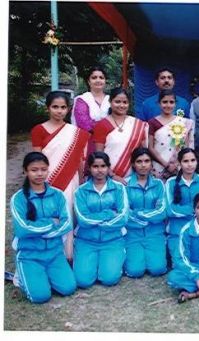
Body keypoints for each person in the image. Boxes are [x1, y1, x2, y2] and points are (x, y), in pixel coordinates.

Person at [31, 90, 90, 261]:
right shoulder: (38, 130)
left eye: (63, 107)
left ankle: (68, 255)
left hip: (71, 181)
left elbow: (80, 160)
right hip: (46, 180)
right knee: (49, 215)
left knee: (68, 215)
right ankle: (47, 255)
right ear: (47, 108)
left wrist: (80, 181)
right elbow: (36, 160)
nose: (59, 111)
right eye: (55, 107)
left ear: (68, 109)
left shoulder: (75, 132)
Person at [10, 152, 76, 303]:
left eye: (43, 169)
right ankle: (22, 275)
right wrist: (51, 222)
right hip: (30, 255)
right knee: (40, 297)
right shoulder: (18, 199)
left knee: (68, 288)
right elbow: (22, 230)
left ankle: (43, 276)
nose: (39, 174)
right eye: (34, 170)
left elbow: (66, 224)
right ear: (25, 171)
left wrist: (37, 228)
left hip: (54, 253)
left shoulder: (58, 195)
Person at [73, 152, 129, 288]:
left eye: (103, 166)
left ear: (108, 168)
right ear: (90, 168)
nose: (99, 170)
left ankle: (111, 261)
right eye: (95, 166)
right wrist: (109, 213)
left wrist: (96, 220)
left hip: (112, 240)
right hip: (86, 240)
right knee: (83, 282)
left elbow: (123, 217)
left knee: (109, 280)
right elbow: (83, 220)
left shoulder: (119, 188)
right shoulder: (80, 191)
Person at [124, 148, 167, 277]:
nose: (143, 165)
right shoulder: (125, 184)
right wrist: (149, 216)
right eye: (139, 161)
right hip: (133, 234)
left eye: (147, 161)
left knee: (158, 269)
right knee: (135, 271)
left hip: (155, 233)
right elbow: (125, 213)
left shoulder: (159, 184)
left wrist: (139, 214)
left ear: (151, 164)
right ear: (133, 164)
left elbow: (162, 211)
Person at [165, 148, 199, 267]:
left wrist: (184, 209)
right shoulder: (170, 182)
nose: (190, 164)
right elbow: (170, 211)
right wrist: (195, 209)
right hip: (177, 233)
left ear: (197, 162)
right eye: (185, 161)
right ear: (179, 163)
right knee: (180, 267)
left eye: (193, 160)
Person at [94, 87, 148, 184]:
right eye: (117, 101)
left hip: (134, 178)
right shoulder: (102, 125)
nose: (121, 105)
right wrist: (112, 175)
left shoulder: (137, 124)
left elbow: (143, 153)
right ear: (110, 102)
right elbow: (99, 156)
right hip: (108, 177)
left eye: (125, 102)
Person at [147, 89, 194, 180]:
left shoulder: (183, 123)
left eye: (171, 102)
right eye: (164, 102)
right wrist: (166, 164)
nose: (168, 105)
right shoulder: (152, 122)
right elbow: (150, 147)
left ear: (175, 104)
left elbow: (186, 147)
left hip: (179, 166)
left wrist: (176, 164)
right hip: (158, 167)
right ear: (159, 103)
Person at [70, 66, 110, 156]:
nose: (98, 80)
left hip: (111, 142)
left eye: (101, 77)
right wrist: (108, 125)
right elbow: (84, 124)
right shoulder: (82, 100)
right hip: (88, 143)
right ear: (88, 81)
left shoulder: (111, 100)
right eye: (94, 77)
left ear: (105, 81)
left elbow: (118, 119)